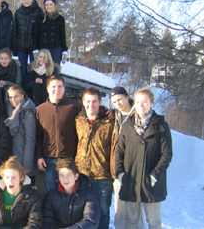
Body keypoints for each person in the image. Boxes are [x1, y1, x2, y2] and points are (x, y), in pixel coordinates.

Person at [116, 88, 173, 229]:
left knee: (153, 221)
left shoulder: (161, 126)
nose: (141, 105)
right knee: (131, 220)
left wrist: (155, 175)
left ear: (152, 103)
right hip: (131, 180)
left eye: (145, 102)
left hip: (151, 182)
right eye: (138, 102)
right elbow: (119, 153)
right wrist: (121, 174)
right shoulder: (127, 125)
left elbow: (166, 154)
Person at [75, 87, 114, 229]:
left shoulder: (110, 121)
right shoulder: (78, 120)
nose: (91, 105)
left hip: (103, 175)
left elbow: (130, 108)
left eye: (94, 102)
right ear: (83, 102)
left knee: (103, 211)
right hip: (82, 174)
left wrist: (113, 111)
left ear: (100, 102)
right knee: (81, 211)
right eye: (88, 101)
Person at [35, 75, 82, 192]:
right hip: (48, 160)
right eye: (53, 86)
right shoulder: (40, 110)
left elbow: (92, 110)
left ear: (64, 88)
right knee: (51, 194)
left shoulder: (74, 107)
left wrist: (106, 111)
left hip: (68, 159)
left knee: (69, 192)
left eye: (60, 86)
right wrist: (39, 156)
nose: (57, 89)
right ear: (48, 89)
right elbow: (38, 136)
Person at [109, 86, 146, 229]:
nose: (117, 103)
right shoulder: (115, 116)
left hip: (136, 168)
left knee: (136, 208)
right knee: (119, 207)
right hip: (118, 168)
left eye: (119, 99)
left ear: (126, 97)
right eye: (114, 101)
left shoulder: (139, 115)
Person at [0, 156, 42, 229]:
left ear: (21, 178)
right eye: (7, 177)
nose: (10, 181)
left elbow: (35, 223)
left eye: (14, 177)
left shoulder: (32, 196)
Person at [42, 158, 100, 229]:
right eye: (61, 175)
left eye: (69, 175)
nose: (65, 179)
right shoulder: (51, 195)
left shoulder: (88, 194)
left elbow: (91, 221)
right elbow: (47, 220)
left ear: (76, 176)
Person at [4, 85, 37, 183]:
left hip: (24, 162)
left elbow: (30, 139)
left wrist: (27, 165)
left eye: (16, 96)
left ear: (22, 96)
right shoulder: (11, 110)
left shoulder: (27, 112)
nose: (13, 100)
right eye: (10, 97)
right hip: (14, 160)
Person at [13, 0, 44, 84]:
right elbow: (15, 30)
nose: (26, 1)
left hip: (34, 47)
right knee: (22, 70)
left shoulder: (38, 11)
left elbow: (41, 30)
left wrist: (39, 46)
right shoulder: (18, 12)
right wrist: (14, 48)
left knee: (34, 70)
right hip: (21, 46)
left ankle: (33, 91)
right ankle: (22, 91)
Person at [35, 0, 68, 64]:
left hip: (56, 49)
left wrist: (64, 50)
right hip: (43, 49)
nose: (48, 6)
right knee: (43, 71)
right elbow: (36, 35)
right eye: (46, 5)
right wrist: (35, 49)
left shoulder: (60, 19)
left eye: (51, 4)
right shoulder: (40, 19)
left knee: (54, 72)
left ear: (54, 5)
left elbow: (62, 35)